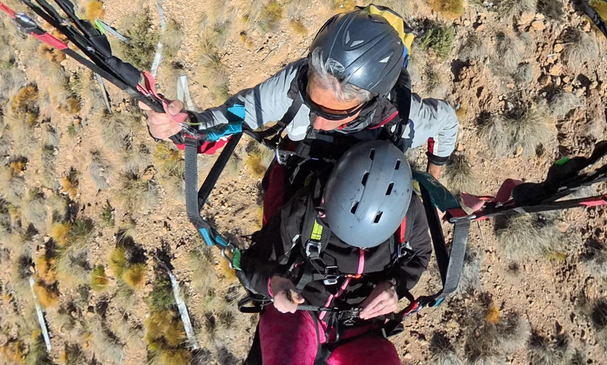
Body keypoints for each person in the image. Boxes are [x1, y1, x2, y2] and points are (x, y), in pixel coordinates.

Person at [194, 140, 432, 365]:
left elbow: (420, 255)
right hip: (300, 313)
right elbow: (253, 264)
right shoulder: (308, 208)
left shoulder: (408, 212)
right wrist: (277, 286)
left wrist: (396, 286)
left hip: (359, 327)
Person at [141, 8, 458, 221]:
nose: (317, 122)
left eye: (333, 114)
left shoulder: (403, 119)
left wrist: (432, 179)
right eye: (312, 102)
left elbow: (447, 123)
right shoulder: (292, 87)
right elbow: (224, 123)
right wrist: (177, 127)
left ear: (369, 103)